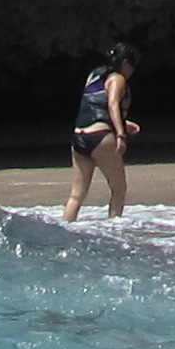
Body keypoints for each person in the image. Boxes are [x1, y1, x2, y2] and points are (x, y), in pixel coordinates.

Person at [61, 43, 138, 220]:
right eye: (133, 66)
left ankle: (65, 231)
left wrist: (124, 124)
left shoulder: (95, 75)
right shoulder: (118, 78)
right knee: (119, 189)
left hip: (79, 136)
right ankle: (114, 231)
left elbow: (94, 106)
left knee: (76, 195)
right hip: (100, 137)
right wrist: (120, 134)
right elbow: (112, 104)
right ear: (126, 63)